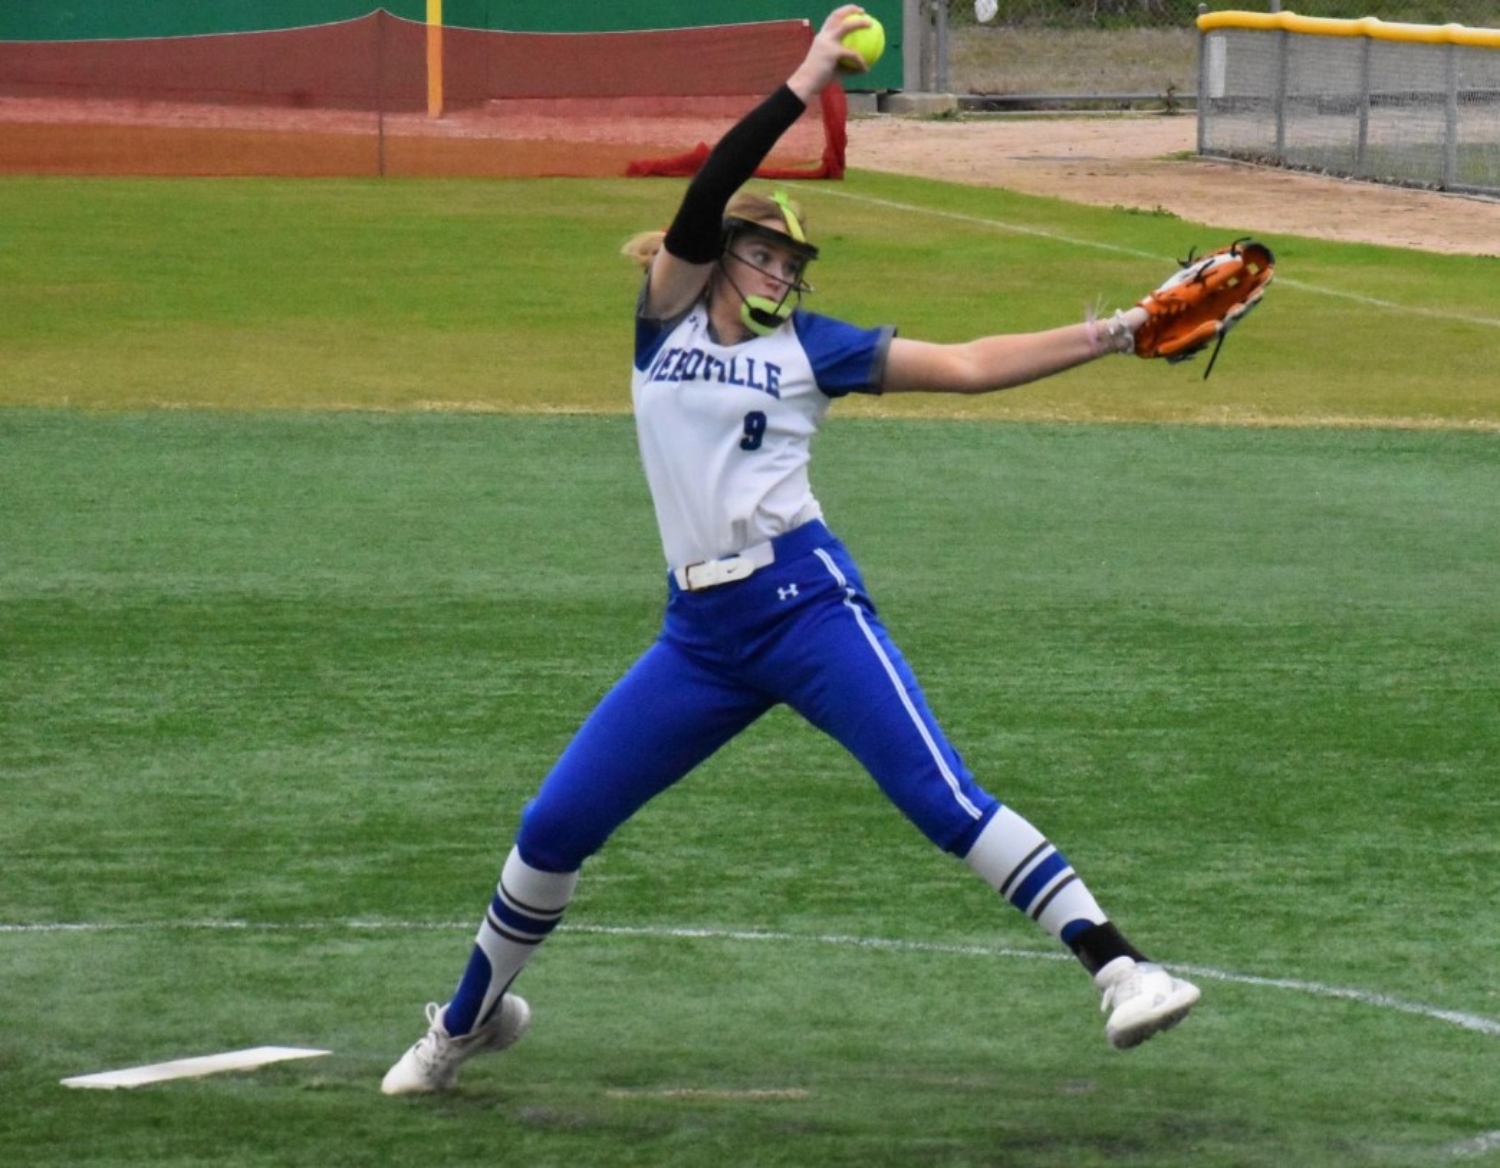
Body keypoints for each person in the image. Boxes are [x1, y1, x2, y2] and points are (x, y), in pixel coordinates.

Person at [382, 4, 1199, 1096]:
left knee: (939, 796)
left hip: (808, 607)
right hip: (700, 636)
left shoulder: (815, 348)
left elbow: (963, 364)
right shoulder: (663, 320)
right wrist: (808, 75)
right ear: (721, 256)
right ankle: (467, 1022)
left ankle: (1122, 969)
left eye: (790, 260)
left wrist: (1114, 332)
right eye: (764, 253)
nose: (779, 271)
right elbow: (712, 182)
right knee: (554, 824)